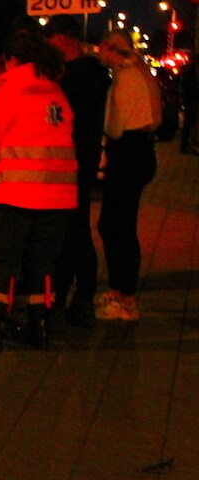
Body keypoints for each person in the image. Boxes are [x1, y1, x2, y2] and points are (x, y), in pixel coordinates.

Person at [0, 30, 77, 350]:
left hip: (15, 192)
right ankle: (39, 326)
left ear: (11, 59)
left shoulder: (9, 85)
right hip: (58, 195)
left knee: (3, 259)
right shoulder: (54, 89)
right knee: (42, 263)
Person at [43, 15, 110, 328]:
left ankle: (77, 297)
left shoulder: (80, 76)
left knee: (74, 232)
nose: (48, 45)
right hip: (77, 161)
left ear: (64, 38)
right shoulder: (91, 73)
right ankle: (75, 297)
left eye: (51, 38)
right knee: (74, 230)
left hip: (73, 162)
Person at [94, 29, 161, 321]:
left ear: (114, 49)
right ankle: (119, 291)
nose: (99, 54)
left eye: (103, 49)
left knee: (117, 224)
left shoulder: (127, 76)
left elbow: (116, 125)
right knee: (115, 223)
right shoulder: (140, 72)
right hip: (139, 152)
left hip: (129, 151)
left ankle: (125, 298)